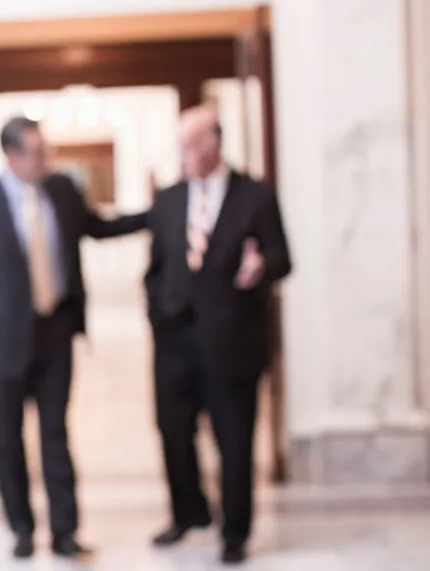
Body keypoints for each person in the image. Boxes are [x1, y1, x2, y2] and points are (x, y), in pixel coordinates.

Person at [0, 117, 149, 558]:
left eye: (46, 150)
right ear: (12, 155)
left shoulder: (61, 190)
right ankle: (22, 528)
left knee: (56, 434)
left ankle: (65, 531)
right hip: (2, 341)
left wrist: (158, 214)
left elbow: (98, 227)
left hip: (55, 332)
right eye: (37, 152)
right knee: (8, 438)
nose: (45, 159)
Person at [144, 105, 291, 565]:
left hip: (232, 342)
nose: (183, 154)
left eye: (191, 144)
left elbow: (282, 258)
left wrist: (260, 267)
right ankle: (189, 513)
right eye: (180, 145)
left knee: (234, 440)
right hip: (175, 344)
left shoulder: (255, 196)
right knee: (174, 433)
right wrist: (157, 310)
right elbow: (156, 266)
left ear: (214, 144)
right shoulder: (169, 199)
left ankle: (235, 531)